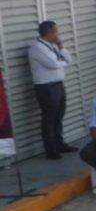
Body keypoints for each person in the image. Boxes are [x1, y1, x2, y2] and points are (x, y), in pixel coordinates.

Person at [29, 20, 75, 159]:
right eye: (56, 31)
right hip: (46, 87)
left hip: (58, 84)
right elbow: (53, 64)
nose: (58, 34)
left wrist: (61, 47)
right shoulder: (38, 48)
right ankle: (51, 149)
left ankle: (60, 143)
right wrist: (63, 63)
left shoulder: (51, 45)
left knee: (58, 117)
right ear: (50, 33)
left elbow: (69, 59)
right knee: (49, 119)